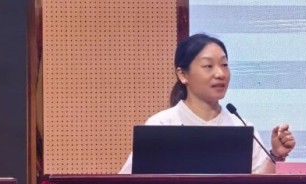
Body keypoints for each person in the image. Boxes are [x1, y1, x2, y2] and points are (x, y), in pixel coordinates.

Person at [119, 34, 296, 174]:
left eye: (224, 65)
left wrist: (275, 154)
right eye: (208, 66)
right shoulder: (161, 125)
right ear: (182, 75)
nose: (220, 74)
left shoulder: (240, 126)